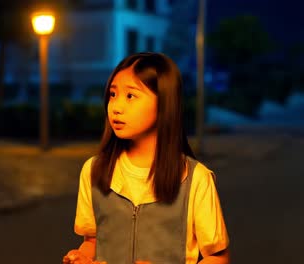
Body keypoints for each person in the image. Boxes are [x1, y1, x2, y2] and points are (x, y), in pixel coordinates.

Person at [62, 52, 230, 264]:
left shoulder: (197, 179)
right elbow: (92, 240)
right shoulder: (94, 170)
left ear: (164, 104)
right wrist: (82, 257)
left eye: (130, 96)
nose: (116, 107)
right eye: (113, 95)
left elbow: (218, 257)